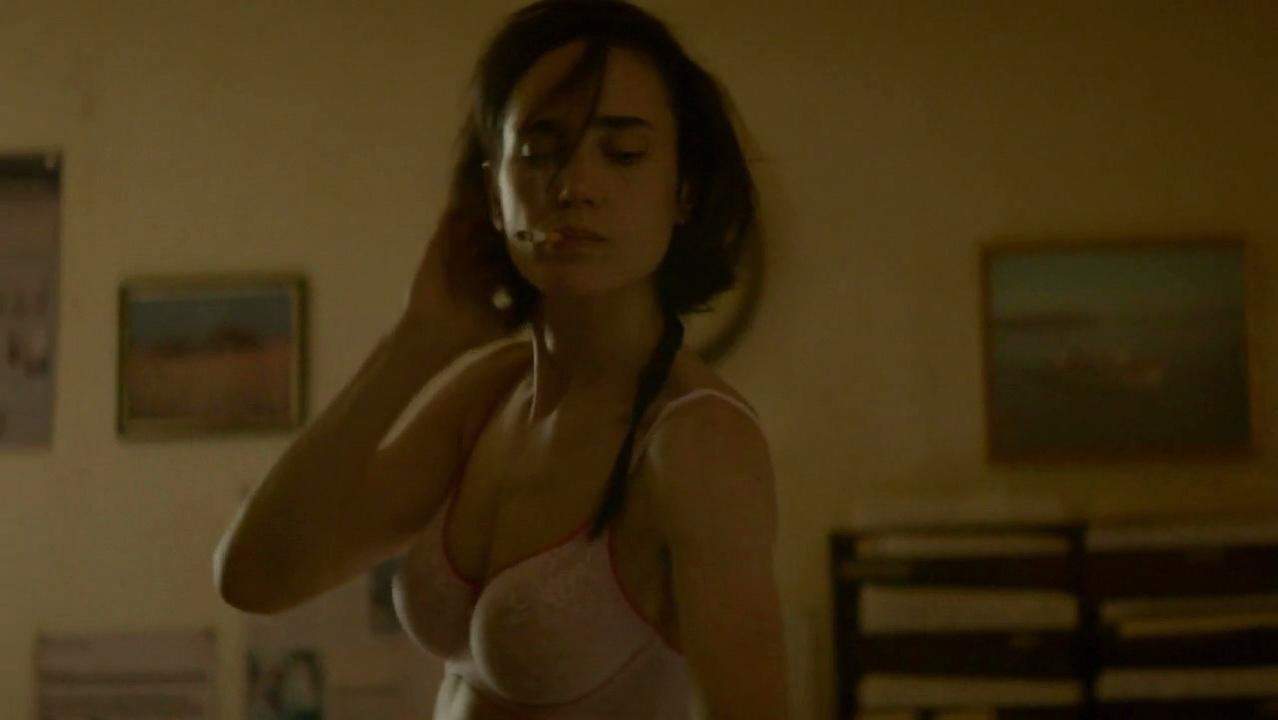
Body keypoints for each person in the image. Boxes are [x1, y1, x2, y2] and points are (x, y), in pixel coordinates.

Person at [213, 1, 788, 717]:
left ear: (684, 192)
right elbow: (255, 576)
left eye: (623, 153)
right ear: (493, 194)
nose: (575, 186)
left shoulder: (696, 439)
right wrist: (415, 344)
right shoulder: (489, 397)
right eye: (540, 151)